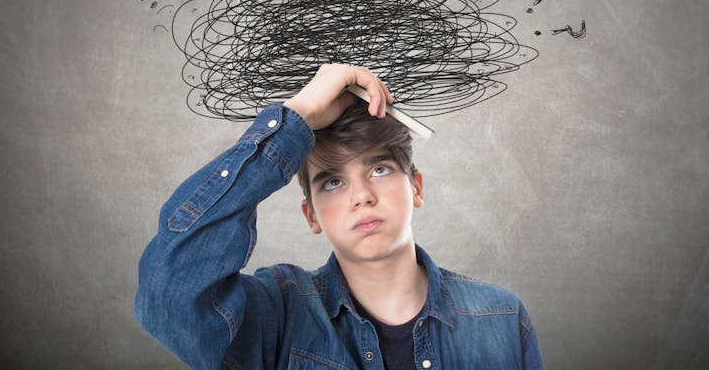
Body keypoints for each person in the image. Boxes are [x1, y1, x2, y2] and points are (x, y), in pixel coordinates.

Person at [135, 63, 544, 369]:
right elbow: (168, 290)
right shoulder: (277, 315)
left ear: (416, 187)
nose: (362, 197)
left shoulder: (502, 318)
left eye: (379, 170)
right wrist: (298, 117)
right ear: (310, 214)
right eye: (333, 183)